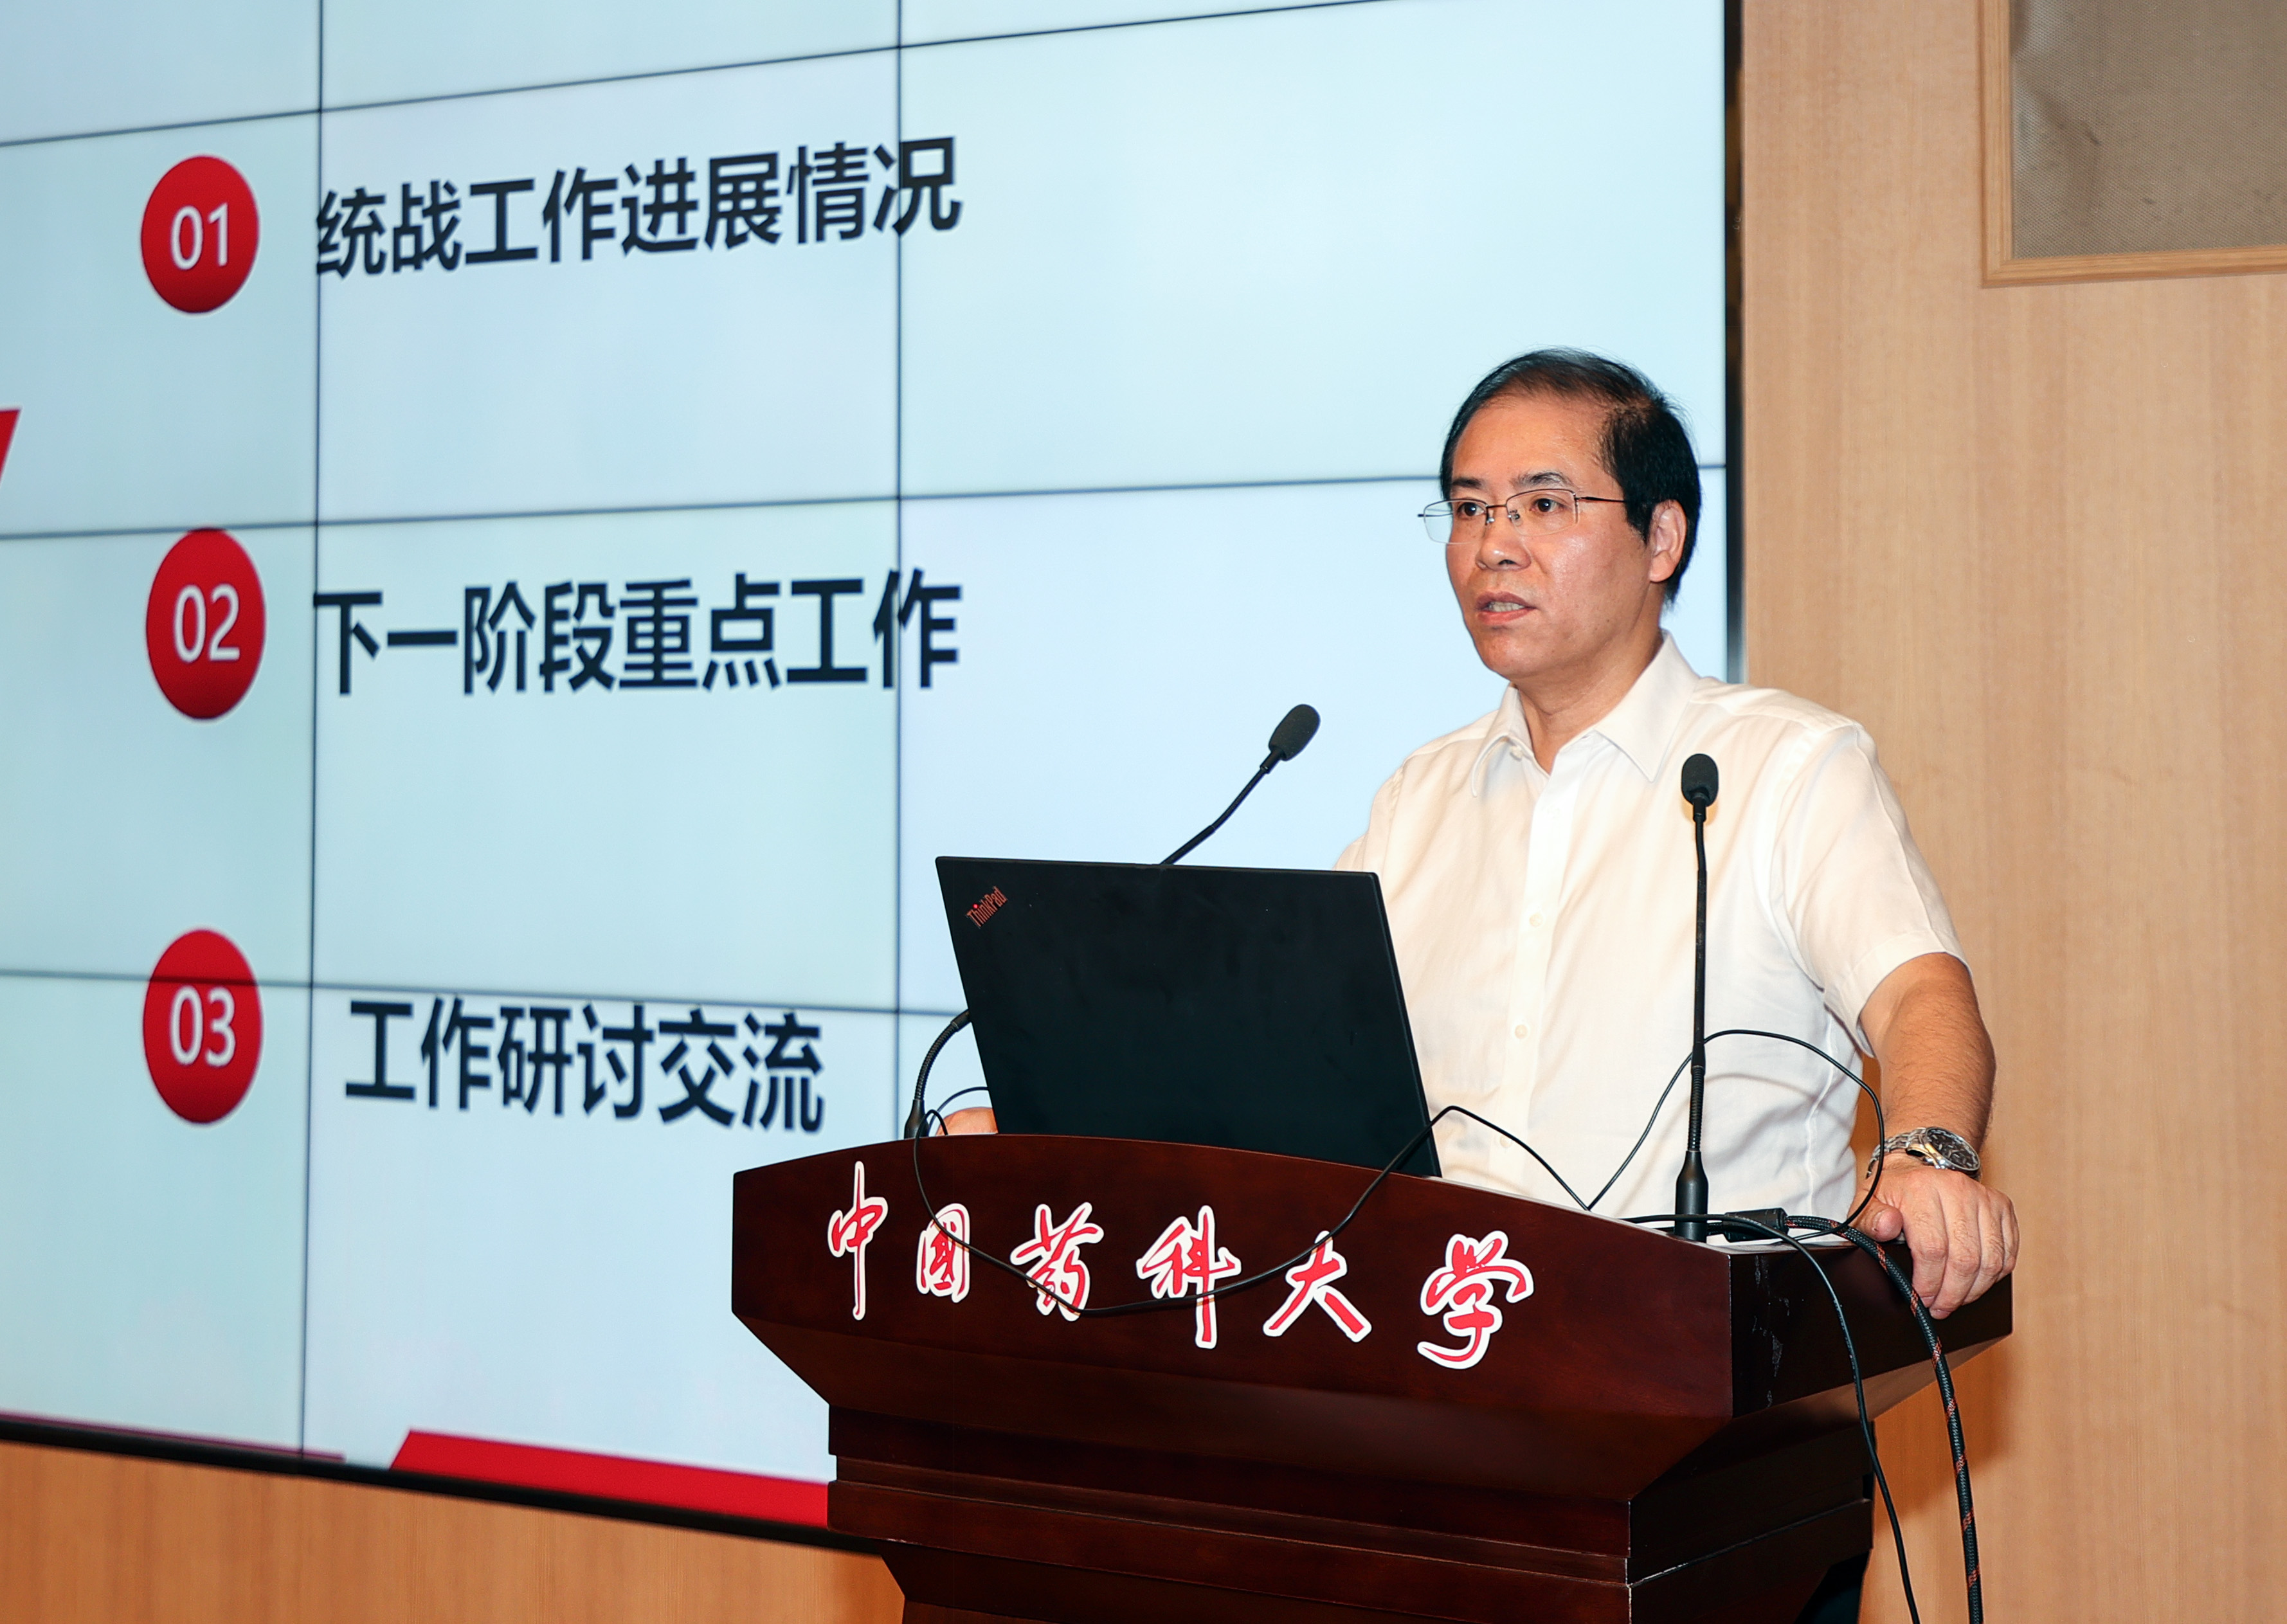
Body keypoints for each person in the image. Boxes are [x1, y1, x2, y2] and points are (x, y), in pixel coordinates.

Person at [1338, 348, 2017, 1324]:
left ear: (1661, 538)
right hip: (1434, 1341)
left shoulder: (1789, 767)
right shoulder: (1417, 799)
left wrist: (1927, 1155)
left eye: (1543, 504)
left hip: (1706, 1348)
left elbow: (1919, 991)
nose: (1493, 545)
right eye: (1470, 508)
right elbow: (1314, 1054)